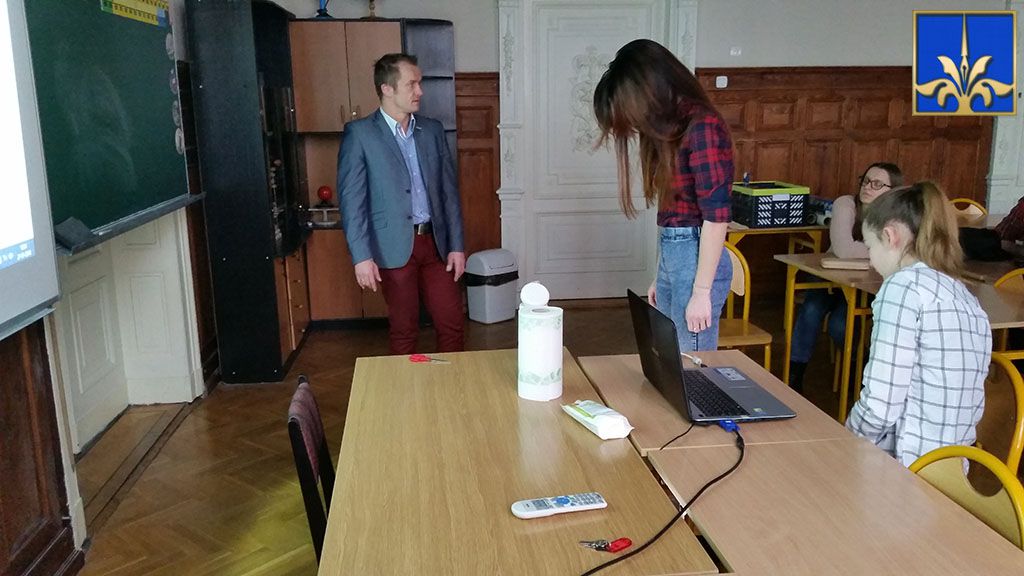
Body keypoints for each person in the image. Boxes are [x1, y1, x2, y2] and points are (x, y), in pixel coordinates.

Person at [593, 39, 733, 352]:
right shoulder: (671, 131)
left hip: (696, 260)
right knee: (670, 361)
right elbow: (672, 214)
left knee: (692, 365)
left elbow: (716, 218)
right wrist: (662, 274)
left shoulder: (703, 126)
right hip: (676, 255)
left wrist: (701, 291)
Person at [846, 182, 990, 467]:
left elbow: (880, 405)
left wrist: (845, 438)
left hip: (907, 468)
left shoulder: (903, 287)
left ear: (890, 236)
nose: (871, 261)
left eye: (870, 247)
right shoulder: (966, 297)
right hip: (952, 470)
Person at [337, 53, 465, 354]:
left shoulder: (431, 130)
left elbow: (449, 192)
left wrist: (457, 245)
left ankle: (453, 382)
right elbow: (352, 201)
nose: (420, 91)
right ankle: (405, 386)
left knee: (452, 323)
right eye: (412, 84)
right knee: (404, 329)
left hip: (436, 244)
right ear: (387, 88)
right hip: (392, 246)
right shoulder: (360, 134)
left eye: (420, 83)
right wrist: (361, 256)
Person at [789, 163, 903, 392]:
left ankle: (857, 369)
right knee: (811, 309)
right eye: (866, 181)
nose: (867, 187)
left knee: (840, 325)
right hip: (831, 276)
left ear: (892, 191)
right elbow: (843, 249)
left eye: (877, 184)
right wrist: (881, 251)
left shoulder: (897, 215)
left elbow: (902, 252)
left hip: (866, 285)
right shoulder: (846, 204)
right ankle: (795, 374)